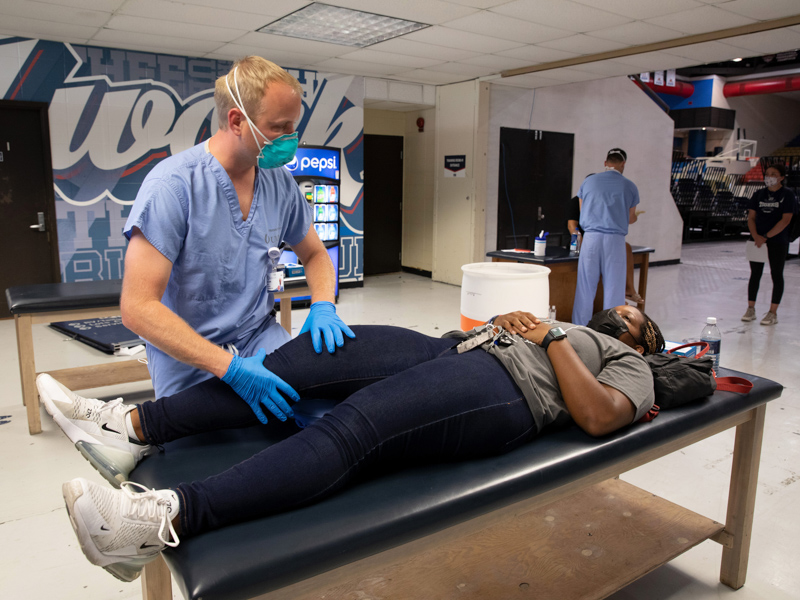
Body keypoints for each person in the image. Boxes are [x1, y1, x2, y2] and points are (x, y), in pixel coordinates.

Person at [39, 306, 665, 582]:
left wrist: (553, 336)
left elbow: (599, 417)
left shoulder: (629, 365)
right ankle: (129, 429)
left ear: (643, 344)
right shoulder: (570, 326)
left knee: (357, 424)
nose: (622, 314)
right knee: (299, 360)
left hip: (506, 391)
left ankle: (158, 520)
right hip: (454, 348)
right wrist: (509, 323)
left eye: (635, 319)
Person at [120, 56, 354, 421]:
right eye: (279, 127)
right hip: (191, 354)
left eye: (294, 126)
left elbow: (315, 255)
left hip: (259, 338)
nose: (291, 139)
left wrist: (323, 304)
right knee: (210, 455)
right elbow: (138, 309)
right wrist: (230, 368)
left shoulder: (279, 183)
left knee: (320, 421)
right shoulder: (173, 187)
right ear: (236, 121)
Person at [572, 148, 640, 325]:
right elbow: (631, 218)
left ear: (605, 163)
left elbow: (582, 211)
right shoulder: (630, 186)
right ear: (623, 163)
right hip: (614, 241)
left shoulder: (588, 182)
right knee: (614, 289)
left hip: (591, 238)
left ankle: (580, 328)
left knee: (585, 287)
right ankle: (611, 331)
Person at [741, 163, 797, 326]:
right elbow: (751, 217)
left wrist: (766, 236)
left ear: (781, 177)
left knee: (776, 274)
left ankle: (773, 312)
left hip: (777, 241)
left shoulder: (787, 195)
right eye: (767, 174)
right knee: (755, 274)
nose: (769, 177)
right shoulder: (759, 194)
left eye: (773, 174)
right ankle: (751, 308)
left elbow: (786, 219)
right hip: (757, 240)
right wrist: (756, 236)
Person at [567, 187, 643, 305]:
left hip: (602, 240)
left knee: (625, 248)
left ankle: (628, 289)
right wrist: (580, 243)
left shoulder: (600, 200)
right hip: (581, 241)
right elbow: (572, 226)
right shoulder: (576, 201)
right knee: (588, 282)